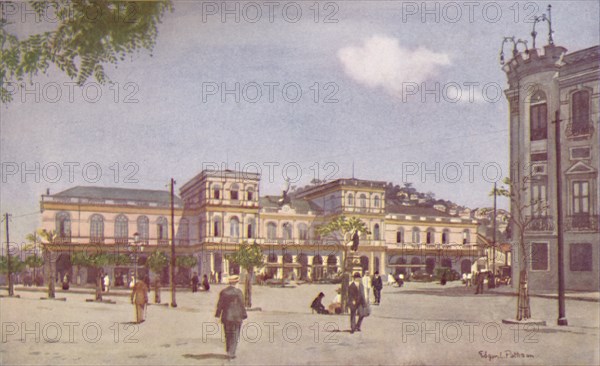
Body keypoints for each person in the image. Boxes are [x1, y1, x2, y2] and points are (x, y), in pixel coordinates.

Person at [215, 275, 247, 359]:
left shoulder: (223, 292)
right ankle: (232, 352)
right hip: (237, 317)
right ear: (236, 282)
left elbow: (220, 304)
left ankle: (229, 350)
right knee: (235, 334)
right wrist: (244, 314)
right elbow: (241, 304)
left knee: (227, 334)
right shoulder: (239, 292)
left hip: (226, 316)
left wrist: (218, 314)